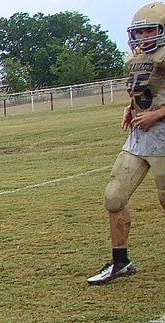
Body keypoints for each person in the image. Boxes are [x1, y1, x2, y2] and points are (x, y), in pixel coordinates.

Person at [91, 2, 165, 285]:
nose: (144, 37)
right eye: (141, 31)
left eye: (150, 30)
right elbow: (145, 90)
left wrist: (157, 113)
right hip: (138, 137)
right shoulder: (138, 58)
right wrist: (130, 107)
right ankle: (120, 262)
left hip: (162, 137)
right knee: (114, 197)